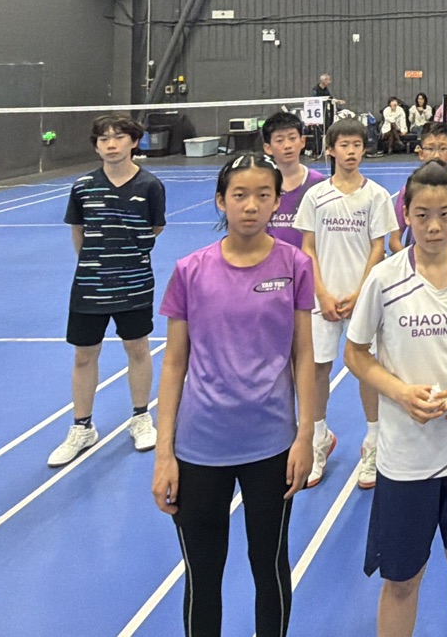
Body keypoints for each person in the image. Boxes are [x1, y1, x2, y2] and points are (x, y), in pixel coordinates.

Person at [346, 162, 447, 637]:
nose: (434, 226)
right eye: (422, 215)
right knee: (401, 581)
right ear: (405, 213)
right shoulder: (384, 278)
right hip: (407, 458)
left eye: (444, 214)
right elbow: (355, 353)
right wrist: (400, 392)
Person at [152, 153, 316, 637]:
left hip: (272, 446)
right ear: (221, 201)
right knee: (203, 577)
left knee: (270, 566)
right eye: (239, 195)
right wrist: (164, 454)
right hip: (200, 449)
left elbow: (304, 354)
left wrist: (306, 435)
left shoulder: (295, 265)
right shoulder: (190, 270)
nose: (251, 205)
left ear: (277, 202)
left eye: (263, 195)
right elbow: (174, 363)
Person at [49, 113, 166, 467]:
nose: (111, 144)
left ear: (134, 142)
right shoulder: (83, 186)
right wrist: (95, 264)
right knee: (84, 355)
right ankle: (82, 427)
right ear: (97, 146)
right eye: (104, 139)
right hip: (90, 286)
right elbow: (78, 231)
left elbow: (156, 227)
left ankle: (141, 417)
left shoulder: (150, 186)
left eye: (118, 137)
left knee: (137, 348)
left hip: (135, 283)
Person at [295, 117, 394, 488]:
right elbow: (307, 247)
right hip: (323, 300)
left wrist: (361, 292)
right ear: (330, 150)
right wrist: (321, 292)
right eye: (344, 145)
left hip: (362, 299)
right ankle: (319, 438)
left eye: (357, 145)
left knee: (366, 368)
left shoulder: (376, 196)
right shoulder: (315, 196)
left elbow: (378, 248)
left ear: (364, 149)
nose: (351, 152)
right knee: (316, 367)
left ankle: (374, 443)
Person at [391, 122, 447, 252]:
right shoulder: (408, 190)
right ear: (421, 153)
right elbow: (394, 239)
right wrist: (410, 262)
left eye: (443, 148)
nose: (436, 155)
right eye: (430, 149)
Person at [262, 110, 325, 250]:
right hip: (271, 259)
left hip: (308, 259)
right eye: (279, 140)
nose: (287, 145)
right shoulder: (261, 184)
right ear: (268, 148)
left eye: (292, 138)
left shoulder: (318, 183)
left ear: (302, 141)